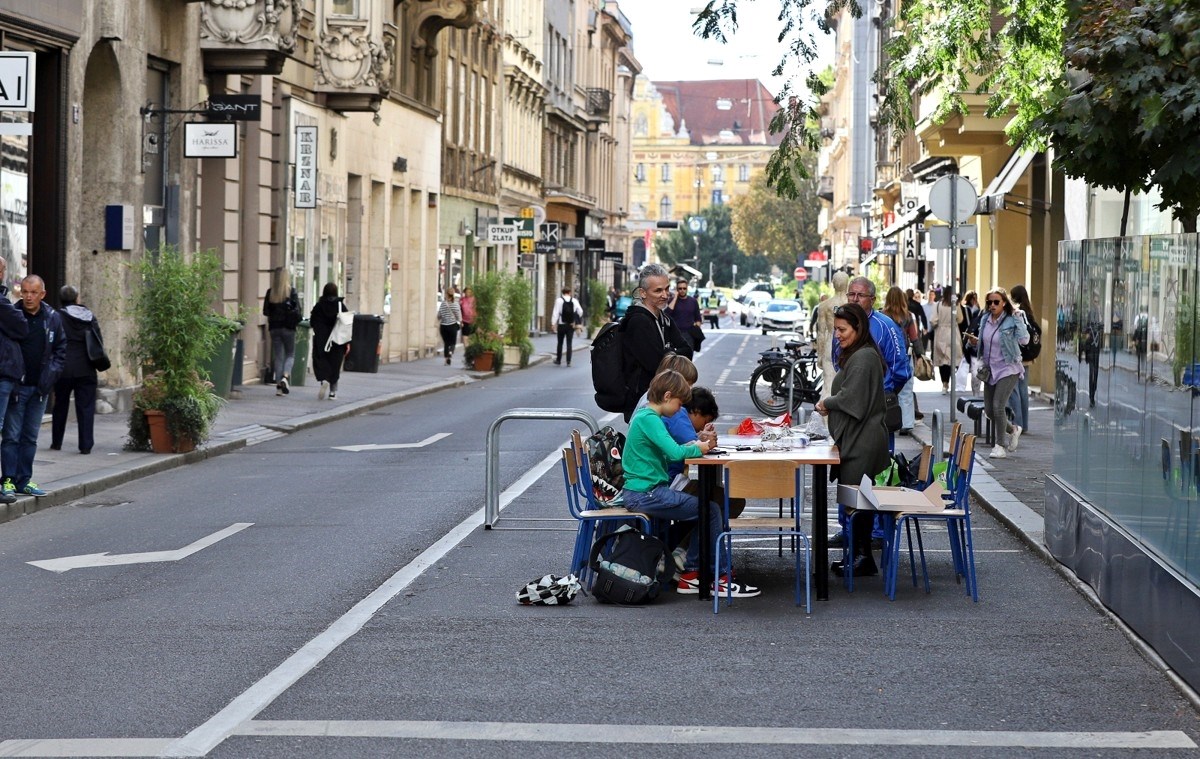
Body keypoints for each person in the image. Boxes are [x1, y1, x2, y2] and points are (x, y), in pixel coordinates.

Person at [620, 369, 758, 598]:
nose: (680, 410)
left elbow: (666, 452)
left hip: (646, 491)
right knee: (711, 510)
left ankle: (692, 573)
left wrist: (697, 442)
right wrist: (700, 447)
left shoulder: (648, 418)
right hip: (646, 493)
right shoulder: (649, 419)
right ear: (666, 396)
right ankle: (718, 577)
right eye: (679, 404)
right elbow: (675, 453)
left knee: (708, 508)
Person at [814, 303, 891, 577]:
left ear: (858, 328)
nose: (838, 335)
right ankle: (859, 556)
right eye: (836, 329)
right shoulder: (861, 354)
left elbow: (852, 400)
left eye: (842, 329)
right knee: (855, 500)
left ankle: (862, 557)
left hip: (863, 441)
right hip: (861, 438)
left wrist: (826, 402)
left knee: (858, 501)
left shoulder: (863, 358)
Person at [2, 275, 65, 498]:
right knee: (11, 436)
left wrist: (50, 376)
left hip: (40, 389)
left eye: (33, 292)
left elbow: (60, 349)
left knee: (30, 437)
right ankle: (8, 480)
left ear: (42, 294)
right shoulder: (13, 315)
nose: (28, 297)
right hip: (17, 388)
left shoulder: (52, 318)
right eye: (25, 291)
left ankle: (24, 479)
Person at [618, 263, 693, 422]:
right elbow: (656, 365)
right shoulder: (638, 322)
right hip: (643, 402)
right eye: (658, 290)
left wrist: (668, 353)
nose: (665, 295)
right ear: (642, 293)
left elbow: (687, 350)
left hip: (661, 401)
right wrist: (672, 352)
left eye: (667, 289)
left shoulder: (664, 319)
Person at [966, 287, 1029, 459]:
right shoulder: (985, 318)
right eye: (989, 302)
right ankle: (1012, 429)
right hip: (990, 369)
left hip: (1008, 368)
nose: (992, 305)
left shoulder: (1012, 319)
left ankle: (999, 446)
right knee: (990, 410)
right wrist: (974, 343)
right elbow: (987, 342)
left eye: (996, 302)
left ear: (1004, 303)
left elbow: (1024, 340)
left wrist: (1019, 320)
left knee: (998, 406)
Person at [838, 276, 912, 395]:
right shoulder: (841, 324)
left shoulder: (886, 326)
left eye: (861, 295)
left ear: (872, 300)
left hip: (880, 399)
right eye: (851, 294)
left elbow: (900, 370)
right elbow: (837, 361)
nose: (855, 299)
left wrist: (885, 391)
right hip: (849, 398)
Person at [51, 286, 101, 454]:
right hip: (86, 367)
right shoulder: (90, 317)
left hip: (64, 368)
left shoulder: (57, 317)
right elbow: (98, 340)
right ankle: (86, 445)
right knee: (86, 407)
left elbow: (52, 341)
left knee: (60, 406)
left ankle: (56, 442)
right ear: (77, 298)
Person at [0, 259, 27, 504]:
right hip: (3, 374)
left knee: (10, 432)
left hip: (8, 376)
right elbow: (21, 327)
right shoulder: (2, 304)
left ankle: (9, 480)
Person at [882, 286, 917, 434]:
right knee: (906, 391)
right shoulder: (908, 316)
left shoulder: (882, 316)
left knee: (886, 390)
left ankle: (888, 420)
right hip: (904, 357)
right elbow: (914, 338)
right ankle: (907, 423)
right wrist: (921, 355)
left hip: (886, 358)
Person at [263, 267, 300, 396]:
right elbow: (298, 311)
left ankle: (279, 387)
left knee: (278, 356)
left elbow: (265, 311)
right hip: (288, 328)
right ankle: (285, 376)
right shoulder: (291, 292)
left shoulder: (270, 293)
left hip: (274, 328)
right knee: (290, 354)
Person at [1006, 284, 1037, 431]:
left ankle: (1017, 424)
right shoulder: (1029, 312)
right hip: (1028, 357)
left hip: (1017, 355)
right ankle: (1024, 424)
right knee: (1024, 391)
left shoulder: (1018, 312)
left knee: (1014, 390)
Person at [309, 282, 348, 400]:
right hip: (337, 340)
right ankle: (333, 392)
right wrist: (348, 343)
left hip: (322, 339)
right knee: (335, 365)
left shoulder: (319, 306)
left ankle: (324, 379)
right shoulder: (341, 306)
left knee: (322, 360)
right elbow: (347, 324)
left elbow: (312, 322)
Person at [815, 271, 849, 400]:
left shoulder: (824, 306)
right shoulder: (853, 305)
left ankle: (826, 419)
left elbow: (821, 332)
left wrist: (820, 354)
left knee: (828, 385)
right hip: (850, 346)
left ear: (833, 284)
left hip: (831, 344)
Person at [930, 287, 965, 393]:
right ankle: (950, 380)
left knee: (942, 360)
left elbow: (933, 320)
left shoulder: (937, 305)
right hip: (953, 333)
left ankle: (944, 384)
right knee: (951, 359)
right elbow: (960, 319)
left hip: (941, 333)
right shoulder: (956, 305)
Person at [667, 278, 704, 353]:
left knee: (687, 359)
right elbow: (667, 313)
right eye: (680, 288)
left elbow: (698, 318)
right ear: (677, 289)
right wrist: (675, 298)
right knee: (676, 359)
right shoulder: (672, 301)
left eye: (684, 288)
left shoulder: (693, 301)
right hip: (675, 334)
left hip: (689, 334)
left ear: (687, 289)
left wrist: (697, 328)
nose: (682, 290)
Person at [551, 286, 583, 366]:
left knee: (560, 343)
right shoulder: (574, 301)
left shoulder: (559, 300)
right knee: (569, 343)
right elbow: (580, 311)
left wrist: (553, 323)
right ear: (569, 292)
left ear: (562, 292)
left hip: (562, 324)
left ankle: (558, 360)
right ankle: (568, 361)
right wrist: (575, 317)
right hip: (570, 325)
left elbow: (556, 313)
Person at [962, 290, 984, 394]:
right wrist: (971, 340)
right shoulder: (979, 314)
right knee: (976, 376)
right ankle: (976, 397)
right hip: (977, 351)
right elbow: (971, 328)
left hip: (993, 354)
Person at [436, 289, 461, 365]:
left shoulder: (443, 304)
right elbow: (458, 316)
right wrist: (459, 321)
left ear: (446, 294)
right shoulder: (456, 304)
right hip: (452, 326)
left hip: (444, 326)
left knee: (446, 343)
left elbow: (439, 315)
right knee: (453, 343)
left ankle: (446, 360)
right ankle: (450, 352)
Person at [906, 288, 929, 356]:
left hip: (905, 327)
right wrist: (925, 327)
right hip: (915, 326)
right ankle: (919, 355)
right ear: (913, 295)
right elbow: (923, 316)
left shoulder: (903, 305)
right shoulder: (917, 304)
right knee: (916, 342)